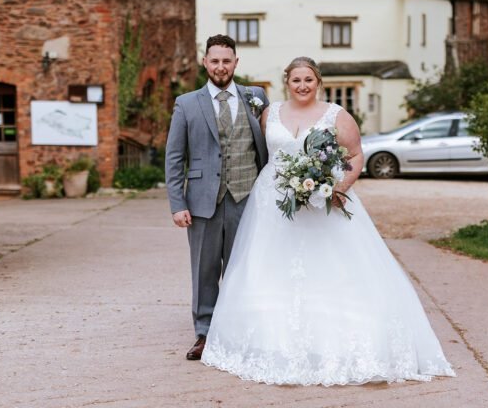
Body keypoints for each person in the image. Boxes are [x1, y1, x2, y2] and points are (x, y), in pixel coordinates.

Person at [200, 57, 456, 385]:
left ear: (318, 81)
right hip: (272, 205)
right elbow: (265, 155)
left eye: (308, 80)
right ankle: (267, 339)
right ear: (287, 82)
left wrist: (338, 187)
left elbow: (355, 154)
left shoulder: (336, 114)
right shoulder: (270, 113)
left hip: (324, 202)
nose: (302, 86)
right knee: (268, 268)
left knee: (331, 269)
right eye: (296, 80)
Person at [165, 34, 269, 361]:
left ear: (236, 62)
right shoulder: (187, 102)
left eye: (227, 61)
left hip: (247, 197)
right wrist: (177, 204)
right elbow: (174, 156)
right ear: (205, 62)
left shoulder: (257, 97)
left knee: (243, 268)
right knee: (205, 270)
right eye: (215, 61)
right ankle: (204, 334)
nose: (220, 67)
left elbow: (270, 144)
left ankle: (242, 331)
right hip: (202, 201)